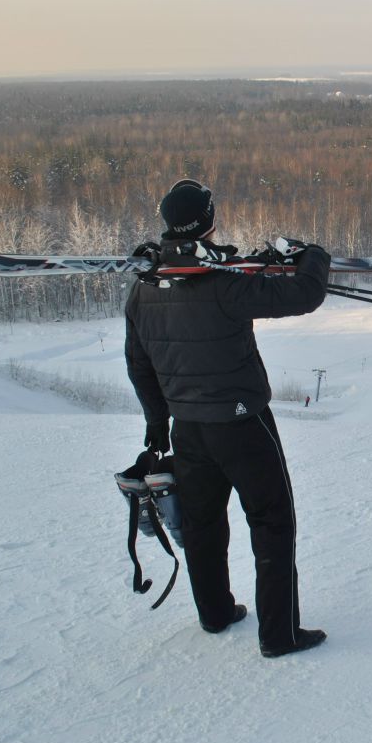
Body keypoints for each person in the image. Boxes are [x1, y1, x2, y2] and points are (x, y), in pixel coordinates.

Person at [124, 179, 330, 658]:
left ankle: (215, 612)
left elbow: (139, 363)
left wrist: (158, 425)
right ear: (210, 222)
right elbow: (304, 295)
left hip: (187, 428)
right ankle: (280, 635)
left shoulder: (145, 287)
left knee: (203, 523)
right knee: (272, 521)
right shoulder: (225, 284)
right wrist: (313, 254)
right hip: (243, 424)